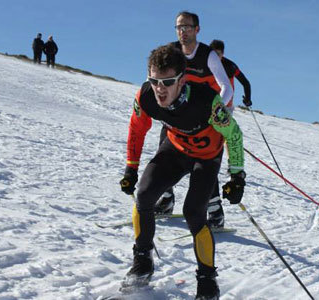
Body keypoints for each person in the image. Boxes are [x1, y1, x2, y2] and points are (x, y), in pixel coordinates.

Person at [119, 45, 245, 299]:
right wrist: (131, 169)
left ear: (182, 80)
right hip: (175, 149)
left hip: (206, 157)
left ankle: (208, 282)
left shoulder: (207, 101)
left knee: (193, 212)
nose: (159, 88)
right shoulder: (145, 96)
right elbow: (137, 128)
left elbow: (233, 134)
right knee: (144, 196)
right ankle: (142, 261)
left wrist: (237, 176)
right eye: (154, 80)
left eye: (167, 82)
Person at [154, 11, 235, 230]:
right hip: (178, 113)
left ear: (197, 29)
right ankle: (166, 199)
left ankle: (215, 211)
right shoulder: (171, 51)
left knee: (204, 161)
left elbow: (226, 85)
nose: (183, 31)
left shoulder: (207, 55)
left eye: (187, 27)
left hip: (204, 113)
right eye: (179, 27)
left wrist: (217, 108)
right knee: (164, 155)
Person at [209, 39, 252, 108]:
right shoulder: (204, 64)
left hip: (226, 105)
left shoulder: (230, 67)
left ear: (222, 54)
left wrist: (247, 98)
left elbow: (245, 82)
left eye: (218, 54)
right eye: (213, 54)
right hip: (208, 102)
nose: (215, 58)